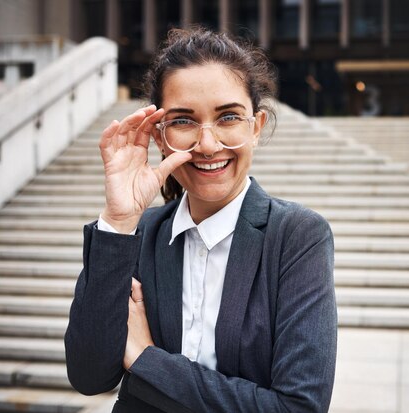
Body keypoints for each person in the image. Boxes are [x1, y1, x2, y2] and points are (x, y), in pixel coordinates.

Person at [64, 27, 337, 412]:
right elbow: (89, 376)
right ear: (160, 138)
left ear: (255, 128)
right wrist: (119, 220)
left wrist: (146, 359)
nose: (208, 145)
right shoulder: (138, 234)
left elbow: (298, 407)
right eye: (183, 121)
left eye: (228, 117)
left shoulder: (296, 236)